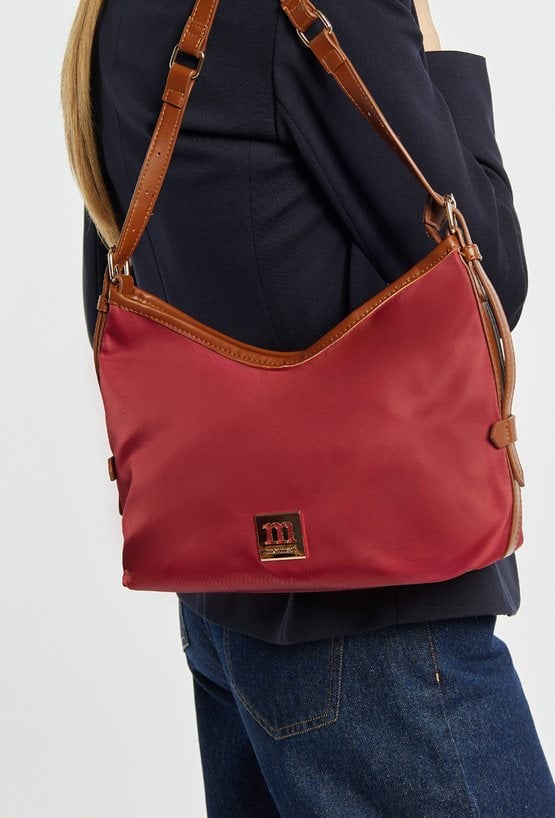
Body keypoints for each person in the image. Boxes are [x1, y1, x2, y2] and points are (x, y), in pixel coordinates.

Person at [61, 0, 555, 814]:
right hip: (375, 623)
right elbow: (486, 276)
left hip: (230, 608)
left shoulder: (114, 14)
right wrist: (433, 49)